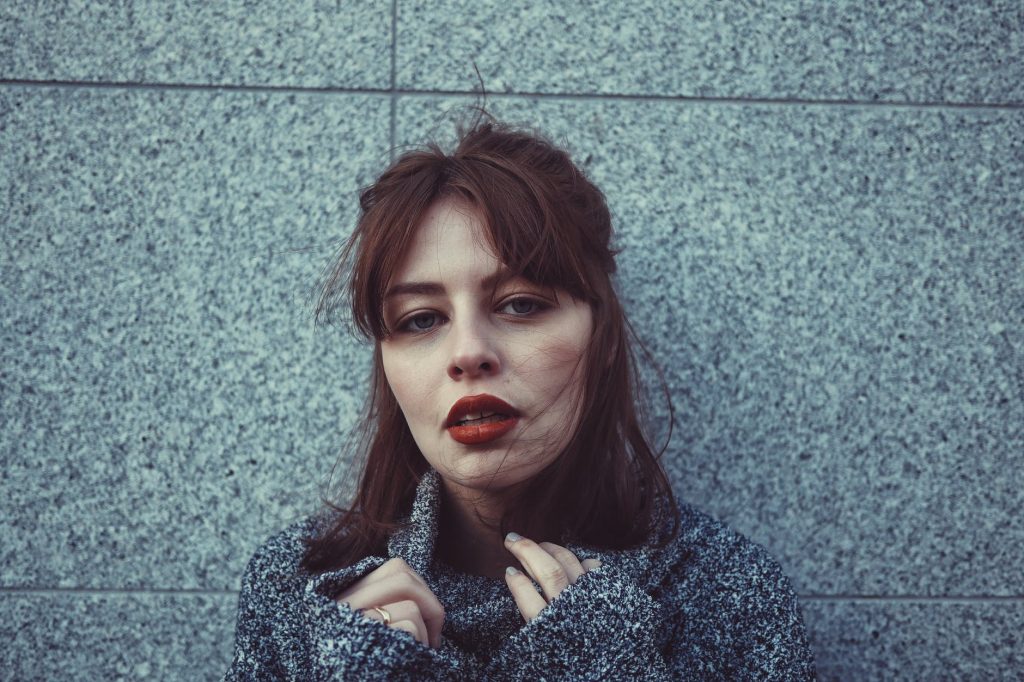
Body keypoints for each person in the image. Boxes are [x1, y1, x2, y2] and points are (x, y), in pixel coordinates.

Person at [224, 114, 817, 680]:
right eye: (421, 319)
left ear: (603, 338)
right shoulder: (298, 594)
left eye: (521, 304)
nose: (467, 353)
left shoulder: (728, 592)